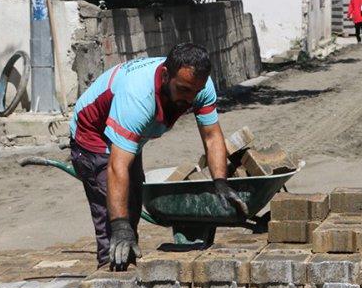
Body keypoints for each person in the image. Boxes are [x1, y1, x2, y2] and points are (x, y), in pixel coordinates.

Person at [69, 43, 247, 270]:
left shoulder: (198, 85)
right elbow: (116, 167)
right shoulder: (137, 98)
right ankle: (108, 283)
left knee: (130, 207)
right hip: (94, 136)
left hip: (129, 136)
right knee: (113, 222)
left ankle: (126, 269)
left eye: (196, 92)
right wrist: (121, 226)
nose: (191, 99)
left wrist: (220, 182)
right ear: (165, 75)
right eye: (183, 90)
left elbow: (212, 137)